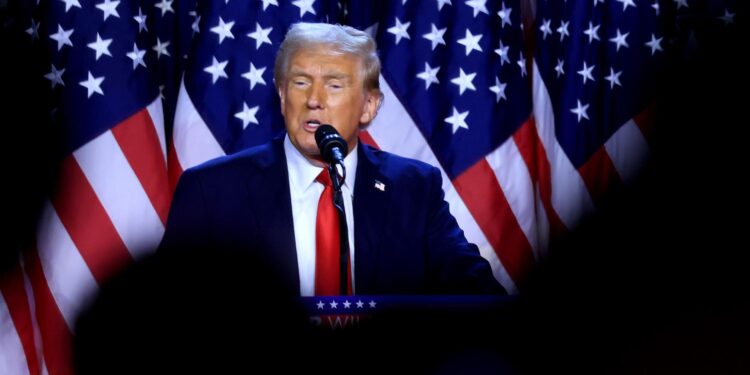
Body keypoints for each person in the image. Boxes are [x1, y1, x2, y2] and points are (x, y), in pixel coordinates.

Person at [160, 22, 504, 296]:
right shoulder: (212, 190)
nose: (314, 100)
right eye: (300, 82)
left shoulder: (413, 189)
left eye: (335, 85)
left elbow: (479, 297)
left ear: (369, 106)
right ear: (282, 96)